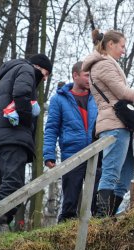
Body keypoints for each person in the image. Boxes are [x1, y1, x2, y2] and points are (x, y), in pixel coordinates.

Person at [82, 29, 134, 217]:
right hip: (114, 123)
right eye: (122, 46)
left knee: (125, 176)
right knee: (111, 172)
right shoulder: (103, 65)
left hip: (121, 124)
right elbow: (122, 91)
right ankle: (101, 216)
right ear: (110, 45)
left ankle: (109, 214)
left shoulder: (107, 63)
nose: (124, 50)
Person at [0, 53, 53, 226]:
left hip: (2, 136)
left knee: (11, 185)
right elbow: (22, 93)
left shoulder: (10, 73)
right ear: (38, 67)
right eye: (45, 73)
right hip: (12, 136)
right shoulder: (26, 69)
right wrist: (26, 121)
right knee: (13, 184)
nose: (44, 79)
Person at [43, 61, 98, 223]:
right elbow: (51, 128)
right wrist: (49, 154)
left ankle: (96, 231)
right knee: (70, 201)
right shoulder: (59, 99)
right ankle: (65, 231)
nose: (90, 79)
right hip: (72, 153)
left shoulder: (97, 97)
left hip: (97, 153)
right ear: (75, 75)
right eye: (86, 75)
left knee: (98, 198)